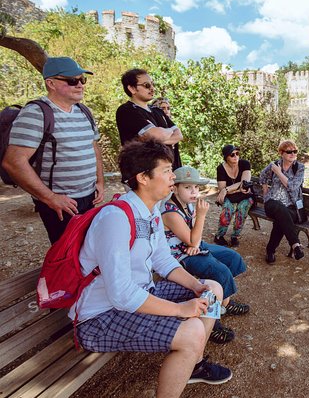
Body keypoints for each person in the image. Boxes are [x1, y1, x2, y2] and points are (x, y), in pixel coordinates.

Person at [71, 140, 233, 397]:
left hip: (140, 295)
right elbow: (121, 294)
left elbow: (164, 261)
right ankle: (191, 352)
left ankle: (194, 363)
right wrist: (181, 309)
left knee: (212, 289)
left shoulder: (151, 211)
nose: (173, 176)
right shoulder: (116, 218)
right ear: (143, 178)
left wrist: (196, 286)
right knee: (192, 330)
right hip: (101, 317)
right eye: (167, 170)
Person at [2, 57, 104, 243]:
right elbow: (13, 162)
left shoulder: (83, 111)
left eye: (83, 80)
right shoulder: (36, 113)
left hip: (89, 197)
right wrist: (49, 198)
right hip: (60, 202)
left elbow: (93, 147)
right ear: (51, 83)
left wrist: (100, 182)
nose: (80, 85)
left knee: (90, 248)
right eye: (72, 81)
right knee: (66, 254)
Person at [162, 165, 250, 343]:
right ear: (175, 188)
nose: (194, 191)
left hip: (192, 246)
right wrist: (201, 218)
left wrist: (194, 243)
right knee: (219, 271)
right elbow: (193, 237)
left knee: (232, 257)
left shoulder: (188, 204)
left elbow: (194, 236)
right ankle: (213, 324)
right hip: (180, 256)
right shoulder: (170, 211)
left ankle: (224, 301)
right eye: (187, 187)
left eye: (196, 187)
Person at [116, 69, 182, 169]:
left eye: (152, 84)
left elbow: (179, 135)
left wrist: (154, 140)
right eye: (147, 85)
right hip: (142, 173)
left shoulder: (157, 110)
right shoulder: (127, 111)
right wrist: (168, 132)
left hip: (167, 172)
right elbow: (157, 135)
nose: (152, 88)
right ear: (132, 89)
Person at [258, 140, 306, 264]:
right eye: (289, 151)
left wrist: (278, 173)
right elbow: (262, 176)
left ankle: (270, 251)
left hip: (292, 207)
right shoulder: (274, 165)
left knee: (282, 217)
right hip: (272, 203)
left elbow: (293, 186)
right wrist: (265, 191)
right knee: (280, 209)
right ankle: (296, 244)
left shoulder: (299, 168)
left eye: (295, 151)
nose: (293, 154)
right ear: (281, 153)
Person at [214, 145, 253, 247]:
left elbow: (244, 183)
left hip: (245, 194)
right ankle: (219, 235)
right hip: (231, 196)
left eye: (237, 154)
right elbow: (221, 188)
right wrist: (233, 189)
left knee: (242, 208)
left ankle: (235, 236)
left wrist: (227, 190)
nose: (236, 156)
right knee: (227, 209)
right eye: (232, 155)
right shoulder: (221, 168)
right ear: (226, 157)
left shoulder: (245, 164)